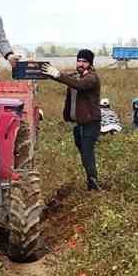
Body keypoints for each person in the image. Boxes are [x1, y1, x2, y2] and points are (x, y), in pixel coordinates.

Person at [43, 49, 102, 190]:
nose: (81, 64)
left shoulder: (92, 78)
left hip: (91, 124)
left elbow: (78, 84)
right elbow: (65, 79)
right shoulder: (77, 76)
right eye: (79, 60)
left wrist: (57, 74)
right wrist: (46, 70)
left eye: (84, 61)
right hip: (79, 125)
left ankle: (93, 186)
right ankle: (91, 179)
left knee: (87, 154)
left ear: (90, 63)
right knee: (85, 155)